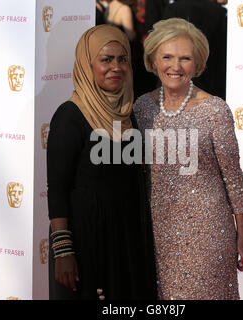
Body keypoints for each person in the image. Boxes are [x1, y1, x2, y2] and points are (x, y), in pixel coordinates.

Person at [133, 18, 243, 300]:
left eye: (185, 58)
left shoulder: (215, 111)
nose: (175, 66)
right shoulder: (141, 108)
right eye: (167, 57)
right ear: (153, 60)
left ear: (197, 64)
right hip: (157, 233)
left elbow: (233, 180)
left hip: (209, 235)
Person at [47, 24, 157, 300]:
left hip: (126, 239)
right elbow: (57, 189)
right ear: (87, 64)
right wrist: (63, 251)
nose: (116, 67)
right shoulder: (70, 115)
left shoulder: (128, 113)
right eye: (105, 60)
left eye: (122, 59)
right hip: (87, 243)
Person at [162, 0, 227, 99]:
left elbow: (164, 43)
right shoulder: (218, 11)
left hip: (175, 77)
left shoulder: (174, 8)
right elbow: (222, 51)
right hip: (210, 79)